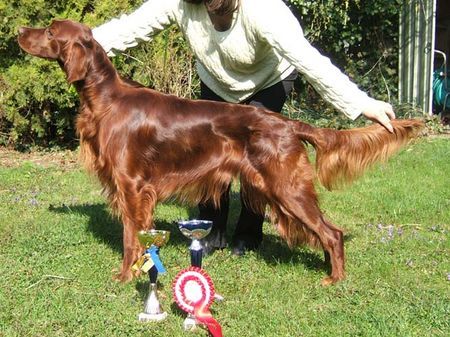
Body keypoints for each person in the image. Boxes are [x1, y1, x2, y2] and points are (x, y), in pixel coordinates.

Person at [92, 0, 396, 256]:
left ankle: (249, 234)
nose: (211, 14)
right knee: (207, 157)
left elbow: (308, 60)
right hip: (218, 82)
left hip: (267, 80)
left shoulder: (264, 9)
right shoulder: (180, 2)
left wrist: (361, 103)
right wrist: (74, 41)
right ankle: (211, 230)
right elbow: (129, 28)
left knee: (261, 160)